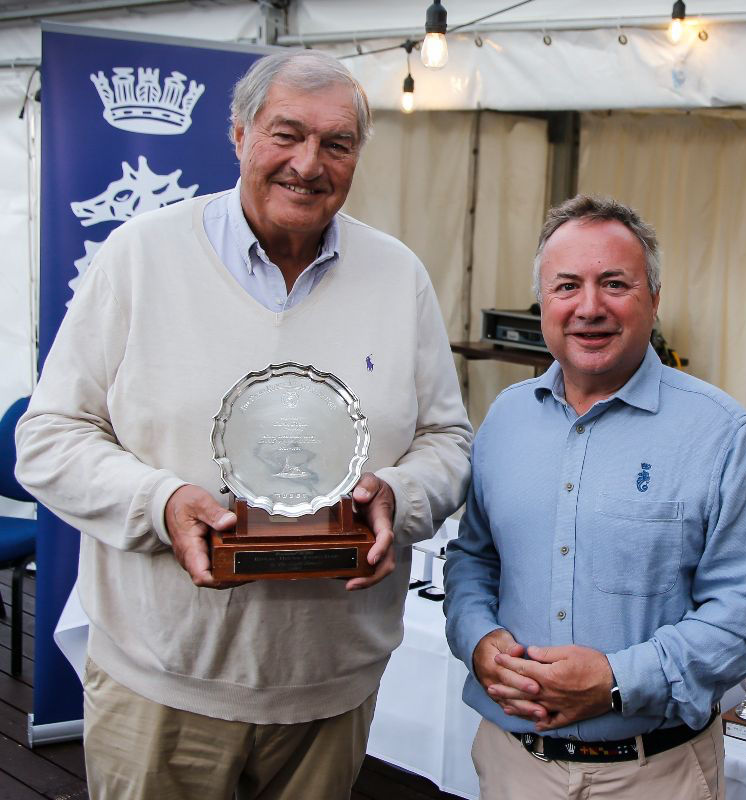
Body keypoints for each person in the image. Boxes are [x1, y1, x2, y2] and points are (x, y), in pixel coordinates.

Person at [16, 50, 471, 799]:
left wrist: (398, 495)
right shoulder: (140, 257)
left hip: (331, 689)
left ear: (358, 155)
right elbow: (49, 435)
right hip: (162, 687)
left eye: (336, 143)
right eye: (285, 134)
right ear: (238, 135)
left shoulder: (399, 276)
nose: (307, 164)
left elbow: (448, 441)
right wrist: (159, 504)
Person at [444, 195, 746, 799]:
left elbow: (745, 617)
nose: (589, 307)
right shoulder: (504, 419)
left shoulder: (721, 434)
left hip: (655, 775)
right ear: (543, 303)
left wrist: (615, 681)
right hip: (513, 766)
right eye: (567, 285)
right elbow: (475, 558)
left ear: (653, 299)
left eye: (615, 284)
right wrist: (477, 638)